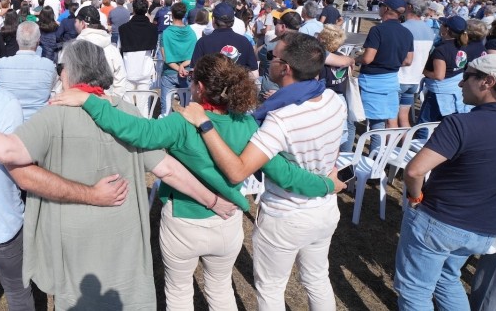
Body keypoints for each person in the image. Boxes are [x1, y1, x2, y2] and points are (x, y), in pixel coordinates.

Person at [0, 38, 241, 310]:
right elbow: (167, 168)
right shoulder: (127, 112)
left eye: (60, 70)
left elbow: (10, 151)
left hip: (74, 236)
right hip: (123, 232)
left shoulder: (54, 115)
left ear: (68, 73)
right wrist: (211, 200)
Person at [51, 53, 343, 310]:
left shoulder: (181, 123)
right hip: (227, 224)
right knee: (220, 289)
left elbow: (135, 131)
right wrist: (327, 185)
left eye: (193, 82)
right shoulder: (247, 123)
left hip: (183, 222)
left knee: (179, 292)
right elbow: (284, 173)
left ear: (200, 88)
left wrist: (90, 100)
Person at [180, 32, 347, 311]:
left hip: (286, 214)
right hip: (325, 210)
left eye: (271, 55)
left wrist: (204, 124)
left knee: (271, 289)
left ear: (286, 68)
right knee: (318, 279)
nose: (267, 59)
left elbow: (238, 171)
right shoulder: (332, 99)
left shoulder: (279, 119)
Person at [395, 55, 496, 311]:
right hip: (487, 230)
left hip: (442, 221)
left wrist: (415, 198)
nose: (461, 84)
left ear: (488, 81)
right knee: (447, 278)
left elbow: (415, 170)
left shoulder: (461, 123)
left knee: (415, 291)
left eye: (467, 77)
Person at [359, 0, 414, 148]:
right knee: (390, 119)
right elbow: (408, 61)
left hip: (373, 81)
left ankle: (375, 160)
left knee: (376, 123)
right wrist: (391, 60)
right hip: (392, 80)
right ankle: (387, 156)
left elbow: (368, 58)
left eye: (381, 6)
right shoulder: (406, 32)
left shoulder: (377, 30)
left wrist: (357, 59)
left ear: (387, 9)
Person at [0, 22, 58, 121]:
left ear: (17, 40)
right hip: (39, 121)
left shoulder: (2, 64)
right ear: (38, 42)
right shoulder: (49, 65)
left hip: (10, 121)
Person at [418, 15, 470, 123]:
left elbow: (439, 75)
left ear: (446, 29)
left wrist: (422, 70)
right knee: (448, 123)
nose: (440, 26)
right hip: (456, 92)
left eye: (442, 24)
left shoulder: (441, 50)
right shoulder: (463, 46)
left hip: (440, 93)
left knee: (424, 124)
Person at [397, 0, 436, 127]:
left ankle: (388, 146)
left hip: (399, 78)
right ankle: (404, 145)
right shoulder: (429, 30)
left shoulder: (402, 28)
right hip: (415, 80)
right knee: (403, 117)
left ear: (409, 7)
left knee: (390, 119)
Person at [191, 2, 259, 77]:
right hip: (237, 87)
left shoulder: (202, 42)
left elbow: (195, 72)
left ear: (213, 21)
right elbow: (254, 74)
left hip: (211, 87)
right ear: (233, 22)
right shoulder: (244, 42)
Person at [75, 5, 128, 98]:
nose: (74, 25)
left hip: (78, 101)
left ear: (82, 23)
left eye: (75, 21)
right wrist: (113, 100)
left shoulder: (73, 49)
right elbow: (120, 79)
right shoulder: (112, 49)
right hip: (106, 102)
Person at [160, 2, 197, 115]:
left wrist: (178, 68)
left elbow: (166, 57)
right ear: (184, 14)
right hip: (187, 72)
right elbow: (193, 55)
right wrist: (182, 67)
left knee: (166, 109)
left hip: (170, 72)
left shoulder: (166, 33)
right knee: (187, 108)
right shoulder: (191, 33)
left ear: (172, 15)